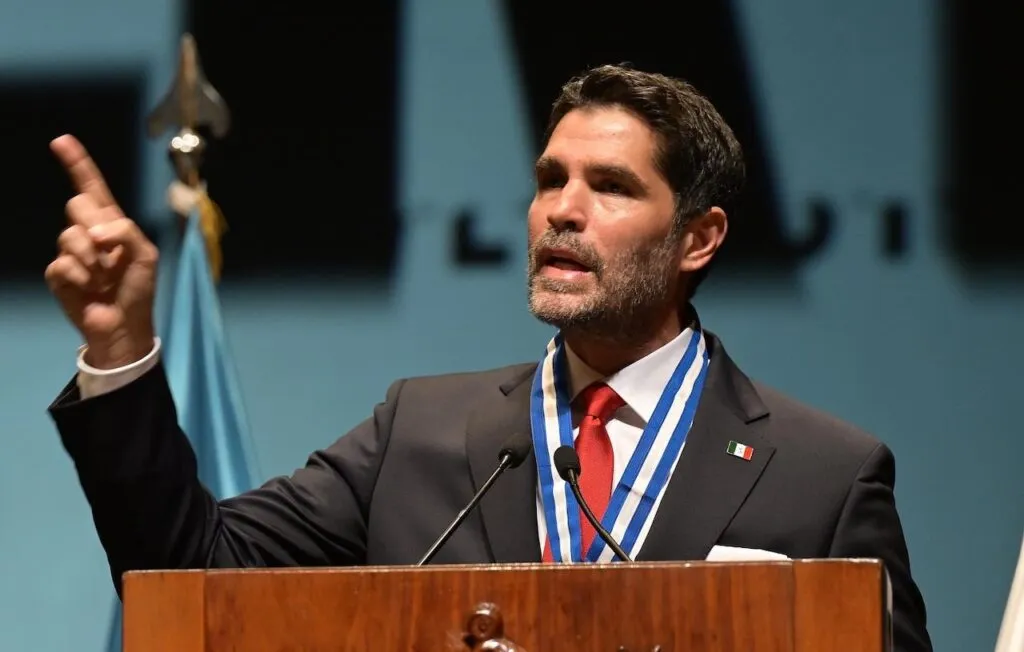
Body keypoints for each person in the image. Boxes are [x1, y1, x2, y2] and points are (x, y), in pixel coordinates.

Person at [44, 64, 931, 651]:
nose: (562, 211)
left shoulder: (823, 478)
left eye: (611, 187)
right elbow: (193, 574)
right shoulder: (419, 435)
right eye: (551, 180)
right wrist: (119, 350)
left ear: (699, 238)